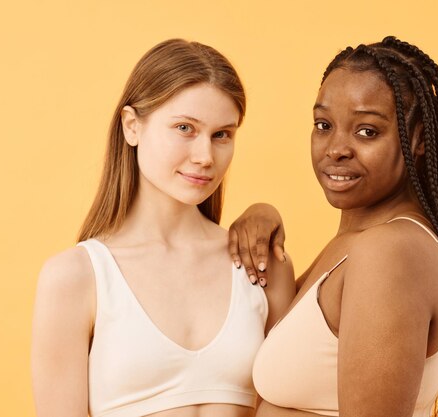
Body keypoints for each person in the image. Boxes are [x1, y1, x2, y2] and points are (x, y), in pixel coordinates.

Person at [31, 39, 295, 417]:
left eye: (222, 134)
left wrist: (265, 209)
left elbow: (297, 400)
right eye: (185, 128)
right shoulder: (75, 277)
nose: (205, 157)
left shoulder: (260, 263)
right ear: (132, 126)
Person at [229, 36, 438, 417]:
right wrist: (264, 212)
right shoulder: (358, 242)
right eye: (324, 125)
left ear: (420, 139)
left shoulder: (390, 252)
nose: (335, 148)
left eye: (367, 131)